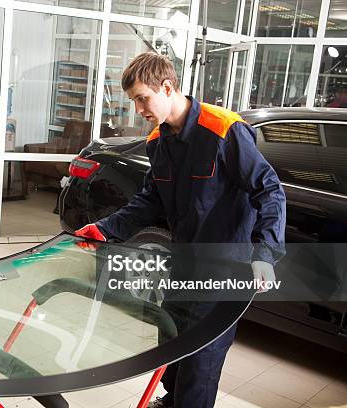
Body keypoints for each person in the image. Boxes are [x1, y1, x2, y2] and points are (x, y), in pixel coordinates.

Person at [75, 52, 286, 408]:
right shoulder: (159, 141)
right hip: (183, 263)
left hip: (224, 270)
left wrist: (265, 254)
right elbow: (149, 201)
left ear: (168, 87)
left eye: (143, 98)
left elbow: (269, 190)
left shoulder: (224, 130)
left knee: (200, 360)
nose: (139, 108)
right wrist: (105, 229)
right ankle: (171, 400)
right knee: (170, 341)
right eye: (134, 101)